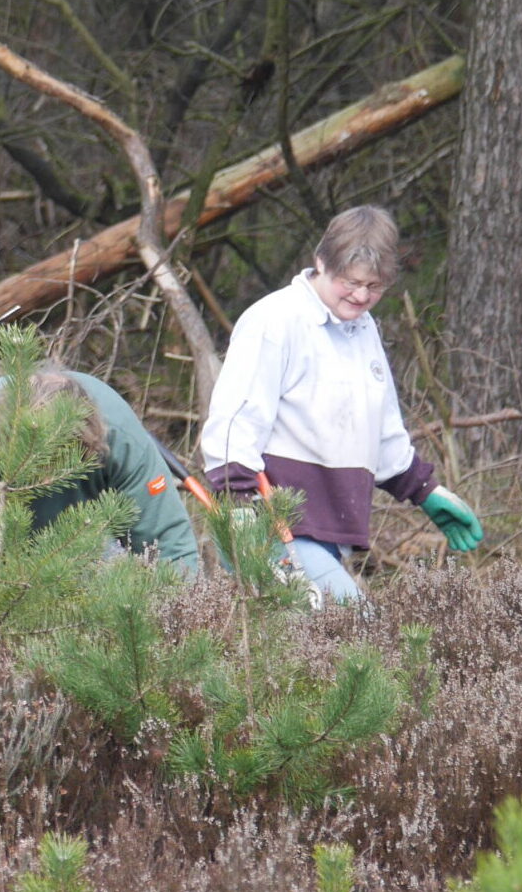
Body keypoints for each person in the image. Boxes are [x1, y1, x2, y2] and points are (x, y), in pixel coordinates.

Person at [199, 206, 478, 605]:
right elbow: (235, 421)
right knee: (356, 631)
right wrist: (239, 504)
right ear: (320, 263)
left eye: (375, 287)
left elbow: (379, 429)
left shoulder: (362, 329)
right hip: (270, 527)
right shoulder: (275, 321)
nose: (362, 296)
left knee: (334, 651)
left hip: (327, 530)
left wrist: (424, 490)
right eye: (351, 282)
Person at [0, 366, 201, 576]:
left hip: (86, 541)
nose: (44, 481)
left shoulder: (121, 438)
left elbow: (169, 546)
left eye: (58, 466)